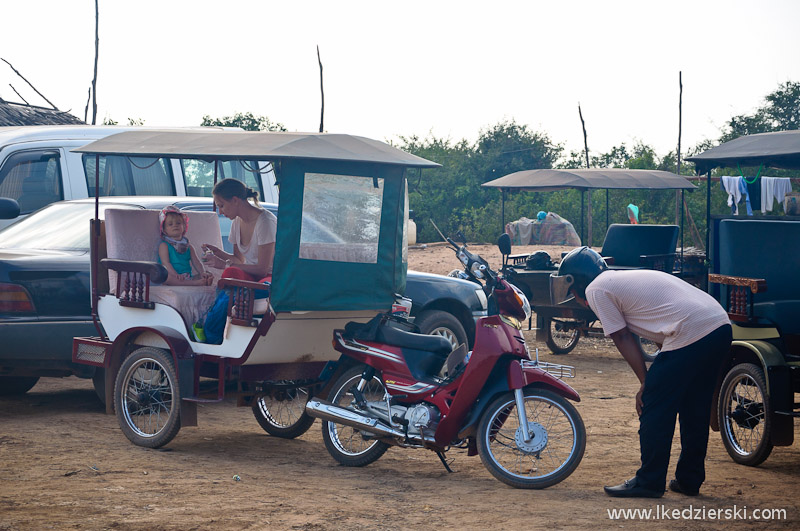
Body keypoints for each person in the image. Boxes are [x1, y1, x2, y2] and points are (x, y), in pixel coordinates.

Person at [550, 247, 732, 498]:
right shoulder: (619, 280)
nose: (574, 296)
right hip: (718, 325)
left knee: (653, 404)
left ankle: (649, 481)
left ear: (578, 283)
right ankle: (689, 480)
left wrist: (646, 383)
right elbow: (661, 327)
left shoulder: (596, 289)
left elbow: (623, 336)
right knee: (694, 408)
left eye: (571, 290)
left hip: (692, 330)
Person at [201, 178, 277, 284]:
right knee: (231, 273)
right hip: (251, 276)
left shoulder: (266, 221)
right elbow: (238, 260)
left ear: (235, 200)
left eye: (221, 206)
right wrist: (217, 253)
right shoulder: (236, 221)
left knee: (262, 284)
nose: (220, 212)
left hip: (271, 278)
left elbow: (262, 270)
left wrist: (224, 264)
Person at [157, 206, 213, 286]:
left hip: (187, 276)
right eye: (170, 224)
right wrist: (175, 274)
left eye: (178, 223)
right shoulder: (164, 245)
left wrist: (202, 272)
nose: (175, 225)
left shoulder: (189, 247)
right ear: (164, 230)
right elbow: (166, 263)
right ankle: (194, 283)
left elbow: (196, 262)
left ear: (184, 227)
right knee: (166, 278)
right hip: (173, 276)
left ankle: (202, 280)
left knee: (206, 275)